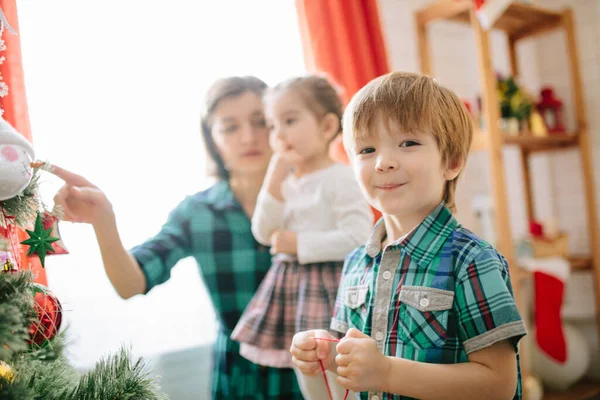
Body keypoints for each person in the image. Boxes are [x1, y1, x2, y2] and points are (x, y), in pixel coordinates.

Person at [50, 76, 305, 399]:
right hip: (240, 378)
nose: (249, 136)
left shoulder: (317, 197)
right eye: (230, 126)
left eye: (260, 122)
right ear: (212, 139)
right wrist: (104, 220)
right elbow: (131, 284)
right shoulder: (197, 212)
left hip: (313, 370)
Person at [290, 72, 527, 400]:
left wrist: (387, 373)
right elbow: (354, 365)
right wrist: (325, 355)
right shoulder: (356, 264)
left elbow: (499, 385)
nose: (384, 162)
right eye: (367, 149)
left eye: (408, 143)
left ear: (452, 161)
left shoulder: (472, 260)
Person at [230, 75, 373, 394]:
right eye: (272, 125)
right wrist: (275, 176)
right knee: (308, 371)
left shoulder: (340, 178)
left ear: (325, 127)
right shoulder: (287, 183)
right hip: (294, 290)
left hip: (332, 287)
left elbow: (358, 237)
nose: (278, 134)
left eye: (289, 121)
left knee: (339, 373)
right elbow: (263, 231)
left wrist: (298, 244)